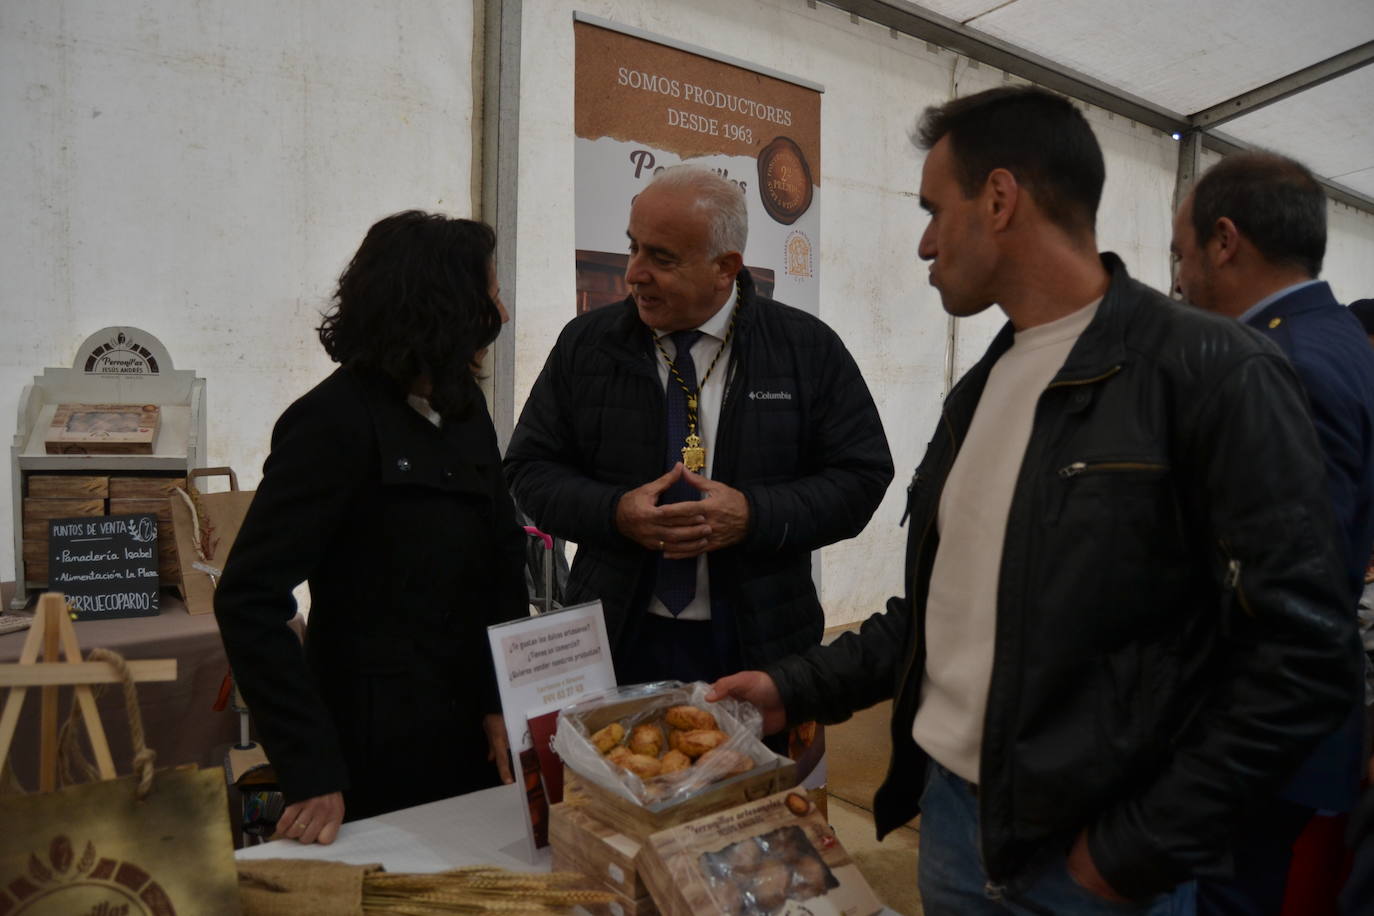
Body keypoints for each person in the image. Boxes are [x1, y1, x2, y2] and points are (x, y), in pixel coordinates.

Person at [709, 87, 1357, 914]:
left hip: (1095, 864)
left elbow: (1301, 654)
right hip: (952, 829)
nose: (924, 243)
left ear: (1001, 199)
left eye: (934, 210)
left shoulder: (1211, 370)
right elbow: (944, 612)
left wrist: (1135, 851)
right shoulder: (981, 390)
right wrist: (792, 685)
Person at [504, 166, 892, 687]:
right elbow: (529, 468)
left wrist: (753, 516)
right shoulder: (587, 345)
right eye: (633, 247)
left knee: (758, 770)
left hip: (760, 642)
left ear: (725, 267)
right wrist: (615, 513)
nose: (634, 273)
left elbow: (861, 476)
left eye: (660, 258)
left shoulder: (806, 349)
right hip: (616, 637)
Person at [215, 211, 528, 845]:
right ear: (444, 305)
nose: (503, 311)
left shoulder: (465, 412)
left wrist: (504, 698)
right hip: (368, 748)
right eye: (491, 293)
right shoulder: (330, 424)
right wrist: (309, 766)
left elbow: (502, 559)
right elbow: (249, 600)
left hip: (472, 737)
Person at [1171, 152, 1374, 914]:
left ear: (1225, 241)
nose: (1181, 279)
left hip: (1249, 748)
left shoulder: (1284, 365)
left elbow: (1281, 594)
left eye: (1181, 254)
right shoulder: (1339, 338)